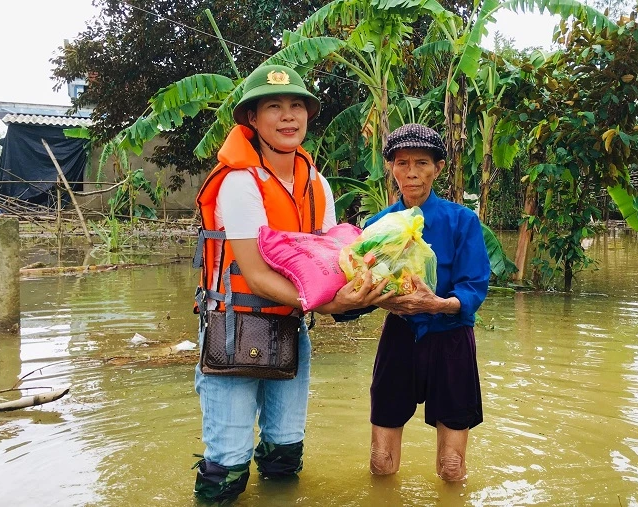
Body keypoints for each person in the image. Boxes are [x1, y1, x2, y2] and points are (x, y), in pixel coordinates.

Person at [192, 64, 391, 503]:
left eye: (296, 105)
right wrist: (328, 304)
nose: (288, 116)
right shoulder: (240, 183)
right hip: (233, 327)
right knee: (227, 465)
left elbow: (332, 261)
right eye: (274, 107)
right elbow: (258, 274)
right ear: (253, 120)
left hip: (289, 327)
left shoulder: (316, 184)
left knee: (284, 453)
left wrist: (367, 289)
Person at [367, 123, 491, 481]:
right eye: (402, 162)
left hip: (451, 339)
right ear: (390, 167)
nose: (411, 173)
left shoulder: (462, 221)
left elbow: (474, 287)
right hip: (399, 336)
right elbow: (360, 288)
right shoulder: (378, 226)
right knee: (380, 462)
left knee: (452, 469)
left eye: (421, 163)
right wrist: (371, 298)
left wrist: (437, 303)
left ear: (438, 168)